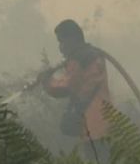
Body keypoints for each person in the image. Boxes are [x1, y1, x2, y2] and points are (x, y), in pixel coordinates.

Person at [37, 19, 111, 156]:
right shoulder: (92, 54)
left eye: (62, 41)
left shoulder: (79, 59)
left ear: (73, 39)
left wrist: (46, 81)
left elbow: (65, 87)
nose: (61, 47)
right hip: (104, 122)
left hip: (92, 127)